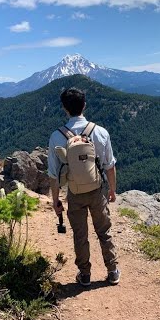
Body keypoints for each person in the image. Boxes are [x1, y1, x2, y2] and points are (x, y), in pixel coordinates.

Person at [47, 87, 120, 286]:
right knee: (104, 231)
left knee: (81, 235)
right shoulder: (100, 132)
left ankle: (85, 274)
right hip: (97, 191)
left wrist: (56, 201)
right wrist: (112, 190)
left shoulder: (57, 137)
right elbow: (110, 165)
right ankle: (112, 270)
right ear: (84, 105)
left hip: (75, 193)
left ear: (64, 108)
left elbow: (53, 174)